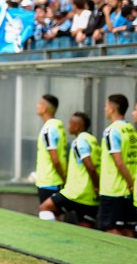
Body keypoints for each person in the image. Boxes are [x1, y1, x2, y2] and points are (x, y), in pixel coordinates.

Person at [40, 112, 100, 227]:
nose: (68, 126)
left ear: (76, 126)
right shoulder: (93, 141)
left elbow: (90, 167)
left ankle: (58, 236)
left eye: (70, 124)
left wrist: (96, 186)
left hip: (76, 193)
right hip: (90, 197)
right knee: (86, 229)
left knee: (45, 208)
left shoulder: (79, 142)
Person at [97, 95, 137, 237]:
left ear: (112, 108)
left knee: (112, 230)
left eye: (106, 106)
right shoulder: (131, 129)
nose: (105, 109)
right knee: (128, 230)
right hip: (128, 191)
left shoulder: (111, 131)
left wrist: (130, 183)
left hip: (113, 189)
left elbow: (119, 162)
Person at [35, 94, 67, 205]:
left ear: (44, 108)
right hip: (53, 181)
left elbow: (55, 159)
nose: (37, 106)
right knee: (53, 214)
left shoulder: (48, 129)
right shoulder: (57, 126)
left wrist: (64, 178)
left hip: (49, 181)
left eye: (39, 104)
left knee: (47, 213)